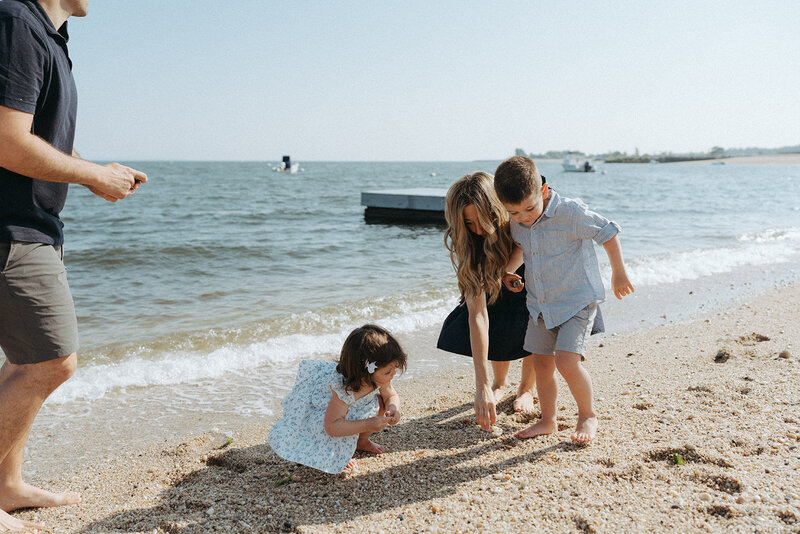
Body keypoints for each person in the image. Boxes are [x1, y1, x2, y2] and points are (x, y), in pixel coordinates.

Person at [0, 1, 147, 531]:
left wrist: (94, 169)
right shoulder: (16, 21)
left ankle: (7, 486)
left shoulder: (48, 35)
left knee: (25, 361)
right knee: (48, 362)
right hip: (11, 227)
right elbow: (6, 140)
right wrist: (90, 178)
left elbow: (37, 135)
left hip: (32, 226)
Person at [438, 172, 605, 432]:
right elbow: (478, 315)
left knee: (535, 322)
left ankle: (526, 388)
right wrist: (480, 385)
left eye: (484, 220)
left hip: (537, 277)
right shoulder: (469, 241)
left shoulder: (523, 218)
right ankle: (498, 383)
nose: (479, 230)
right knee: (496, 318)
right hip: (497, 279)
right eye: (470, 223)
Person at [493, 156, 634, 443]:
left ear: (543, 192)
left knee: (567, 362)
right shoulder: (518, 222)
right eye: (514, 212)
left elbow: (608, 232)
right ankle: (548, 420)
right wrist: (510, 269)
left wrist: (618, 272)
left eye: (530, 208)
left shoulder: (570, 213)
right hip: (541, 305)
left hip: (576, 301)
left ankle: (587, 415)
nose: (524, 217)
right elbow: (523, 245)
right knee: (541, 364)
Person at [268, 325, 406, 474]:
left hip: (351, 408)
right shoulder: (343, 389)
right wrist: (367, 424)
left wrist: (393, 408)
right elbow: (332, 427)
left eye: (394, 369)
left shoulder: (381, 379)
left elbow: (391, 396)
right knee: (336, 428)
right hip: (328, 413)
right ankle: (340, 454)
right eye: (388, 371)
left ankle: (361, 441)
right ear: (364, 372)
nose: (393, 374)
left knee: (380, 403)